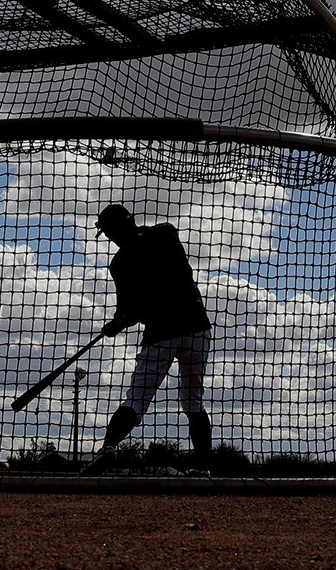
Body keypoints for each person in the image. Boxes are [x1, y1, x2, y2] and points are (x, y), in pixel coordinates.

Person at [81, 204, 213, 475]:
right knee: (193, 402)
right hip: (196, 327)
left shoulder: (120, 263)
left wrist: (115, 326)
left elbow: (130, 314)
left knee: (136, 400)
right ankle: (203, 468)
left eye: (107, 232)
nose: (108, 237)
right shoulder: (166, 233)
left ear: (113, 231)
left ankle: (107, 448)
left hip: (161, 333)